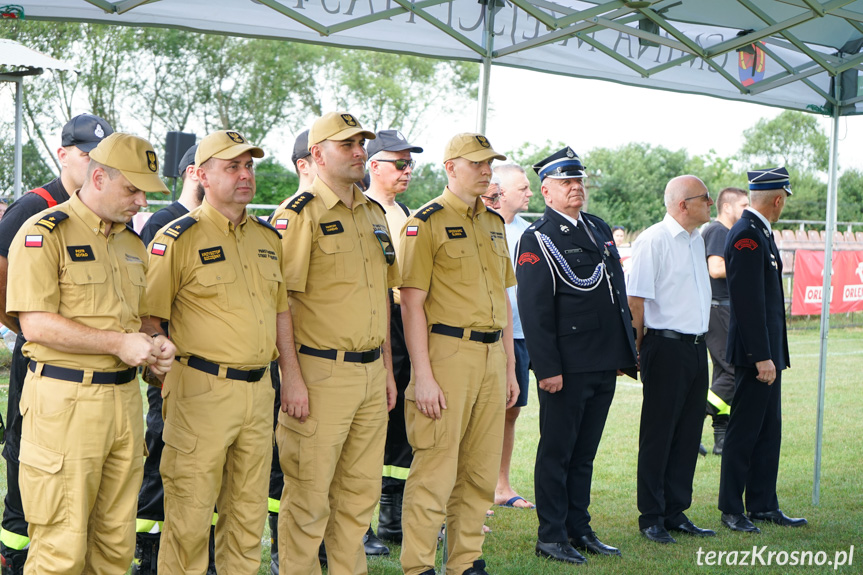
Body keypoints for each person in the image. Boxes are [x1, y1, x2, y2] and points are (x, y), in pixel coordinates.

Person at [6, 132, 175, 573]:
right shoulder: (45, 233)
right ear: (98, 177)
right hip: (66, 405)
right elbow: (35, 323)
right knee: (60, 549)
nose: (141, 201)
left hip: (123, 404)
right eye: (133, 189)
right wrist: (119, 343)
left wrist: (154, 345)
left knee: (115, 545)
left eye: (146, 191)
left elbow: (132, 319)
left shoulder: (130, 243)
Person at [144, 130, 289, 574]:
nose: (245, 175)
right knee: (189, 517)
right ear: (202, 175)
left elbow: (280, 312)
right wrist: (162, 370)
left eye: (249, 166)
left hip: (259, 393)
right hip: (200, 392)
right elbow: (150, 319)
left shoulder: (268, 239)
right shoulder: (177, 239)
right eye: (233, 167)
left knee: (246, 517)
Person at [273, 112, 400, 575]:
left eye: (361, 143)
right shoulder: (299, 215)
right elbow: (280, 302)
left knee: (357, 499)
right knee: (308, 499)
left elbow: (382, 297)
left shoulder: (374, 212)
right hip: (319, 374)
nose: (358, 151)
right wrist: (292, 378)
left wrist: (386, 369)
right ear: (317, 155)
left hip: (369, 374)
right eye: (346, 145)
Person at [399, 132, 519, 575]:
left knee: (479, 470)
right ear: (451, 167)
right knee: (435, 467)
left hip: (491, 356)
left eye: (490, 164)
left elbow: (504, 302)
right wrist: (423, 376)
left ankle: (466, 560)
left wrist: (509, 368)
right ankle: (418, 566)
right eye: (477, 163)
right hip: (447, 353)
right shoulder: (424, 222)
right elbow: (412, 301)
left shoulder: (493, 222)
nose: (487, 171)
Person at [0, 112, 113, 574]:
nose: (91, 166)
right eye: (85, 155)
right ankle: (15, 550)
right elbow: (3, 286)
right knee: (25, 450)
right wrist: (37, 329)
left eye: (100, 158)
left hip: (91, 372)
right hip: (40, 359)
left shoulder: (104, 210)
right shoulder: (33, 207)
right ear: (64, 154)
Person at [516, 148, 636, 565]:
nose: (576, 188)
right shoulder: (539, 237)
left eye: (579, 181)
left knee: (584, 453)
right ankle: (550, 536)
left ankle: (578, 527)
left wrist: (625, 353)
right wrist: (546, 368)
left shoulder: (598, 228)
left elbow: (615, 295)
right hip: (566, 366)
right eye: (567, 183)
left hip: (602, 360)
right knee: (557, 453)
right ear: (547, 190)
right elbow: (534, 309)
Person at [132, 142, 209, 575]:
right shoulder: (163, 224)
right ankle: (148, 551)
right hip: (172, 373)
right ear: (197, 173)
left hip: (214, 378)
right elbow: (150, 304)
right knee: (162, 460)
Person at [626, 175, 715, 544]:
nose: (710, 203)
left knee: (688, 432)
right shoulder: (653, 240)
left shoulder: (697, 240)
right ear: (683, 204)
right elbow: (636, 300)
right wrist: (636, 350)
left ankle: (676, 510)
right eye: (704, 197)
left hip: (696, 347)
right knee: (659, 433)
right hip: (665, 346)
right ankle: (651, 516)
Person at [718, 167, 807, 533]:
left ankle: (763, 504)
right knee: (744, 431)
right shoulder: (747, 236)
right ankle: (731, 509)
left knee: (769, 430)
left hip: (769, 351)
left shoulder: (758, 233)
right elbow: (748, 301)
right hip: (757, 355)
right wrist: (761, 356)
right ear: (778, 199)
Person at [364, 129, 424, 548]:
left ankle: (393, 517)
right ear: (374, 166)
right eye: (399, 164)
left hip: (403, 322)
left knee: (400, 424)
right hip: (373, 321)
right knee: (367, 426)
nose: (406, 171)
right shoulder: (361, 210)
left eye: (410, 164)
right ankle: (358, 524)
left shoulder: (405, 211)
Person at [491, 164, 535, 510]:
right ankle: (471, 490)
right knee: (480, 415)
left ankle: (501, 486)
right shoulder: (482, 226)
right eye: (523, 188)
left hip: (522, 334)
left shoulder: (528, 232)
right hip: (489, 336)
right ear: (500, 191)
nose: (530, 193)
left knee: (511, 411)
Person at [701, 187, 749, 456]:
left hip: (722, 308)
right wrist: (747, 264)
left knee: (723, 373)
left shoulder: (721, 231)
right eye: (744, 204)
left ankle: (722, 440)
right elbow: (716, 268)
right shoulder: (719, 231)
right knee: (732, 372)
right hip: (719, 309)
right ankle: (692, 421)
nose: (748, 208)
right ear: (727, 207)